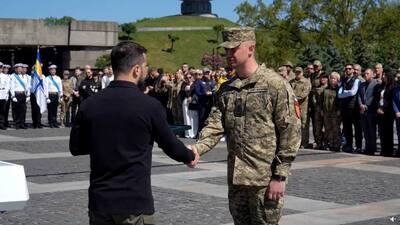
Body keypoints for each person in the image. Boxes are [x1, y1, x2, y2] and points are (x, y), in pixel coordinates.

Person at [70, 41, 198, 225]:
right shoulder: (149, 106)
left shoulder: (89, 104)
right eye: (145, 66)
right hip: (133, 204)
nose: (146, 71)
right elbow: (170, 145)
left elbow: (76, 147)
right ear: (137, 70)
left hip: (100, 202)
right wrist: (189, 155)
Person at [190, 27, 301, 225]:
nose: (228, 54)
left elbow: (290, 131)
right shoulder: (227, 89)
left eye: (234, 49)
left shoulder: (274, 84)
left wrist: (280, 176)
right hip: (237, 180)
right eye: (226, 50)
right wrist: (198, 149)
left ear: (251, 48)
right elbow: (215, 125)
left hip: (264, 180)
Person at [338, 64, 362, 153]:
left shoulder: (356, 80)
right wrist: (346, 92)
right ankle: (349, 145)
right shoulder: (343, 80)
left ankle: (358, 146)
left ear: (352, 70)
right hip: (345, 107)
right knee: (347, 128)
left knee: (357, 128)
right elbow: (339, 95)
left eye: (349, 68)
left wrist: (345, 92)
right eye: (346, 69)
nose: (348, 70)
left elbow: (353, 92)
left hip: (354, 108)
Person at [359, 68, 379, 155]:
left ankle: (372, 148)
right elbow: (359, 96)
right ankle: (367, 147)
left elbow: (375, 97)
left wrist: (367, 105)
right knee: (365, 130)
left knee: (372, 130)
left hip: (371, 110)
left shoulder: (376, 84)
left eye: (367, 74)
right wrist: (361, 105)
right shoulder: (362, 84)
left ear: (372, 75)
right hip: (363, 111)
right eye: (365, 74)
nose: (365, 75)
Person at [289, 67, 311, 148]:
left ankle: (304, 142)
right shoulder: (291, 82)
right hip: (293, 106)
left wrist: (295, 98)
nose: (298, 74)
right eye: (296, 72)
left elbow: (305, 93)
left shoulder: (306, 82)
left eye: (299, 72)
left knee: (304, 124)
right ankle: (295, 142)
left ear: (302, 73)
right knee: (294, 124)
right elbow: (289, 91)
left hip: (303, 106)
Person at [376, 71, 395, 157]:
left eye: (385, 75)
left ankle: (389, 150)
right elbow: (377, 98)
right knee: (382, 131)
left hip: (388, 112)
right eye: (383, 75)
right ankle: (383, 149)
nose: (383, 76)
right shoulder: (381, 86)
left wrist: (383, 108)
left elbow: (391, 100)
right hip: (380, 111)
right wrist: (379, 107)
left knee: (388, 132)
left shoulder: (392, 87)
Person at [322, 72, 341, 151]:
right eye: (331, 78)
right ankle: (331, 143)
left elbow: (340, 101)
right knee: (328, 128)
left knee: (335, 129)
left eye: (334, 78)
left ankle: (336, 145)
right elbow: (322, 100)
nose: (332, 80)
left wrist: (339, 110)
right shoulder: (326, 89)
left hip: (335, 112)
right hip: (326, 112)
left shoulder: (339, 89)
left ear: (337, 79)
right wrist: (322, 110)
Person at [10, 63, 31, 129]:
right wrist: (13, 96)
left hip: (23, 94)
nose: (20, 70)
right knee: (17, 110)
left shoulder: (24, 77)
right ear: (15, 69)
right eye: (18, 69)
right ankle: (17, 124)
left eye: (21, 69)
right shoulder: (13, 76)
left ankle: (22, 123)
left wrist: (28, 95)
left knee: (23, 110)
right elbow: (12, 87)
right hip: (17, 94)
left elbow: (27, 87)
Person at [0, 63, 10, 130]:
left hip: (2, 93)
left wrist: (6, 94)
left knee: (2, 110)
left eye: (0, 68)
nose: (0, 69)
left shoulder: (5, 76)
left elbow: (7, 86)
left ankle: (1, 124)